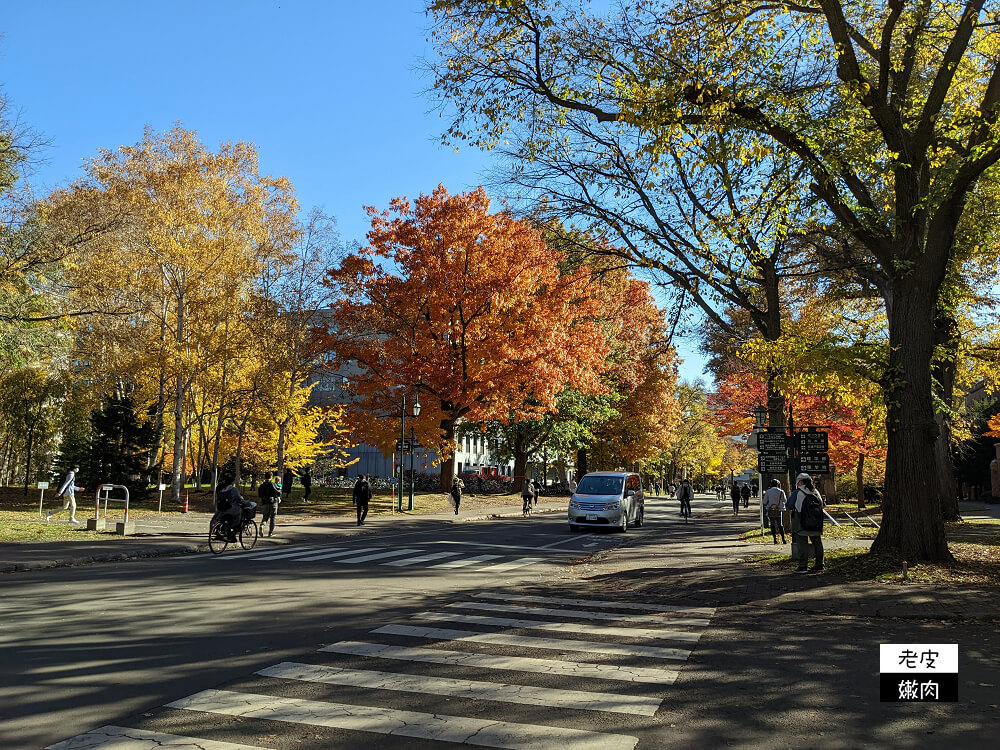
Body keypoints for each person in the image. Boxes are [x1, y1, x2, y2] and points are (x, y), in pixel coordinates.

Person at [791, 472, 825, 573]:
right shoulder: (815, 492)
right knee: (817, 542)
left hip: (802, 521)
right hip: (816, 522)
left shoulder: (798, 492)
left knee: (802, 544)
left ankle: (802, 566)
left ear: (800, 481)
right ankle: (820, 564)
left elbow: (789, 505)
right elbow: (822, 505)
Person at [762, 479, 787, 544]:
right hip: (778, 509)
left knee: (772, 524)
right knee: (780, 524)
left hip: (771, 509)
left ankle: (775, 539)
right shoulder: (781, 491)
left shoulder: (768, 491)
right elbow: (784, 500)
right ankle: (783, 539)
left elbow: (764, 502)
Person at [257, 471, 281, 537]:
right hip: (273, 502)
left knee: (265, 516)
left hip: (264, 502)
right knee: (272, 517)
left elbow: (259, 494)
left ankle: (262, 525)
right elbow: (277, 492)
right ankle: (270, 532)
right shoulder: (272, 484)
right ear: (271, 477)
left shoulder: (262, 485)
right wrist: (279, 490)